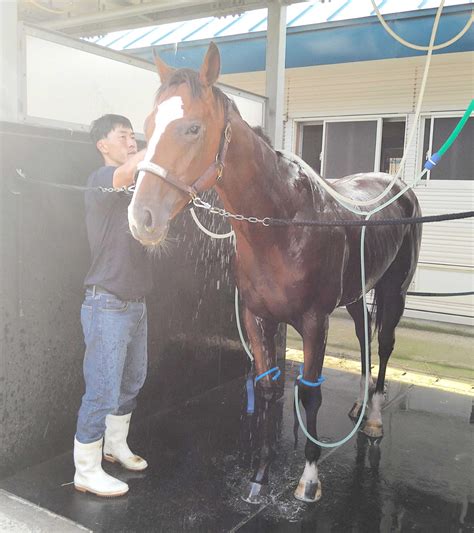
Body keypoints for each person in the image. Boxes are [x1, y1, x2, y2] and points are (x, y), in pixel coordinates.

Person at [74, 114, 153, 497]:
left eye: (133, 135)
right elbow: (125, 172)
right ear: (102, 145)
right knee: (102, 390)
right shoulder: (100, 181)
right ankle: (86, 470)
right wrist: (164, 142)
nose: (132, 141)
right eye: (123, 136)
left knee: (131, 382)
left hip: (135, 305)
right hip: (106, 304)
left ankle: (114, 445)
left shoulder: (137, 187)